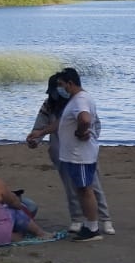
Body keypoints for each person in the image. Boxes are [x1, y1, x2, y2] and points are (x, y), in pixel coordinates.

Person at [26, 74, 114, 234]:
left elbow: (93, 123)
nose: (58, 92)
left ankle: (105, 219)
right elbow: (41, 124)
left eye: (60, 87)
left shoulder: (78, 101)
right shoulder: (49, 105)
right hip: (61, 151)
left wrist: (87, 134)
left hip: (83, 151)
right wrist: (35, 138)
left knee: (93, 186)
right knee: (72, 187)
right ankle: (77, 219)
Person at [56, 67, 105, 241]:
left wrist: (80, 131)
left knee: (85, 189)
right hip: (76, 154)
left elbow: (85, 119)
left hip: (80, 155)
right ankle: (88, 224)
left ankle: (92, 228)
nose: (60, 89)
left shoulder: (80, 100)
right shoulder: (79, 99)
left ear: (70, 83)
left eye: (62, 85)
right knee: (81, 188)